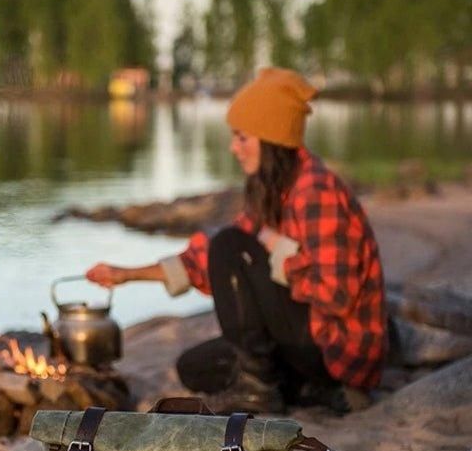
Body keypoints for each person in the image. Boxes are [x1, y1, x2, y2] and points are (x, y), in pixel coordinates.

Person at [86, 67, 387, 414]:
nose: (233, 148)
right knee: (194, 367)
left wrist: (280, 257)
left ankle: (273, 388)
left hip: (335, 349)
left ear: (272, 139)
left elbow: (338, 296)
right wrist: (126, 274)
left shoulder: (315, 191)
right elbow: (203, 258)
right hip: (304, 336)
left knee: (230, 244)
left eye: (242, 137)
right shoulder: (274, 189)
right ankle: (300, 388)